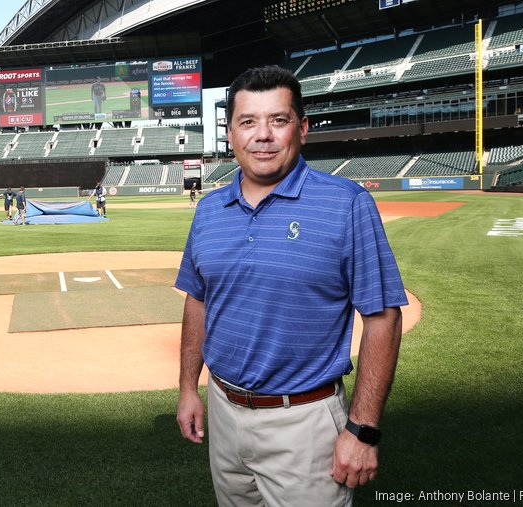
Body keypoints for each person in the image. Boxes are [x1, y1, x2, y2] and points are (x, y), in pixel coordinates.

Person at [175, 66, 408, 507]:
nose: (262, 135)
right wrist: (189, 387)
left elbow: (383, 317)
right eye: (248, 122)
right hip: (224, 412)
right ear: (230, 134)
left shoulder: (346, 204)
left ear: (300, 128)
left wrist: (362, 429)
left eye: (277, 120)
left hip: (304, 422)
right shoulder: (209, 210)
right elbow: (197, 299)